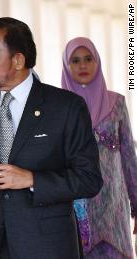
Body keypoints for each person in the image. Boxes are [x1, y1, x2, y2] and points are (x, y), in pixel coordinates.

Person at [0, 17, 103, 259]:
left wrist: (32, 179)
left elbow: (89, 179)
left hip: (48, 248)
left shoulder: (66, 107)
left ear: (18, 60)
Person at [61, 37, 137, 259]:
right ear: (66, 65)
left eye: (88, 59)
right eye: (75, 60)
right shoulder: (59, 105)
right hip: (76, 207)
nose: (82, 65)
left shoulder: (117, 103)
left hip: (113, 206)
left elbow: (129, 159)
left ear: (98, 61)